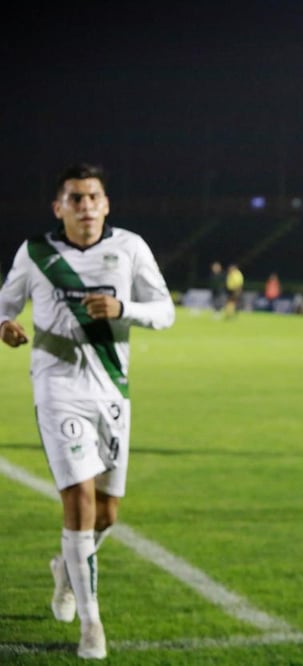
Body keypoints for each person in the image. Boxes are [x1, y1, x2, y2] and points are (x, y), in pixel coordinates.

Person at [0, 163, 175, 659]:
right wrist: (5, 325)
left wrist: (124, 310)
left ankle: (66, 568)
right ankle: (91, 624)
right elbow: (5, 303)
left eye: (93, 197)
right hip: (58, 388)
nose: (86, 206)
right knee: (78, 497)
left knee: (107, 512)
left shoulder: (131, 248)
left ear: (106, 204)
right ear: (59, 208)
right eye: (75, 199)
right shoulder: (36, 253)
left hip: (112, 390)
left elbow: (164, 311)